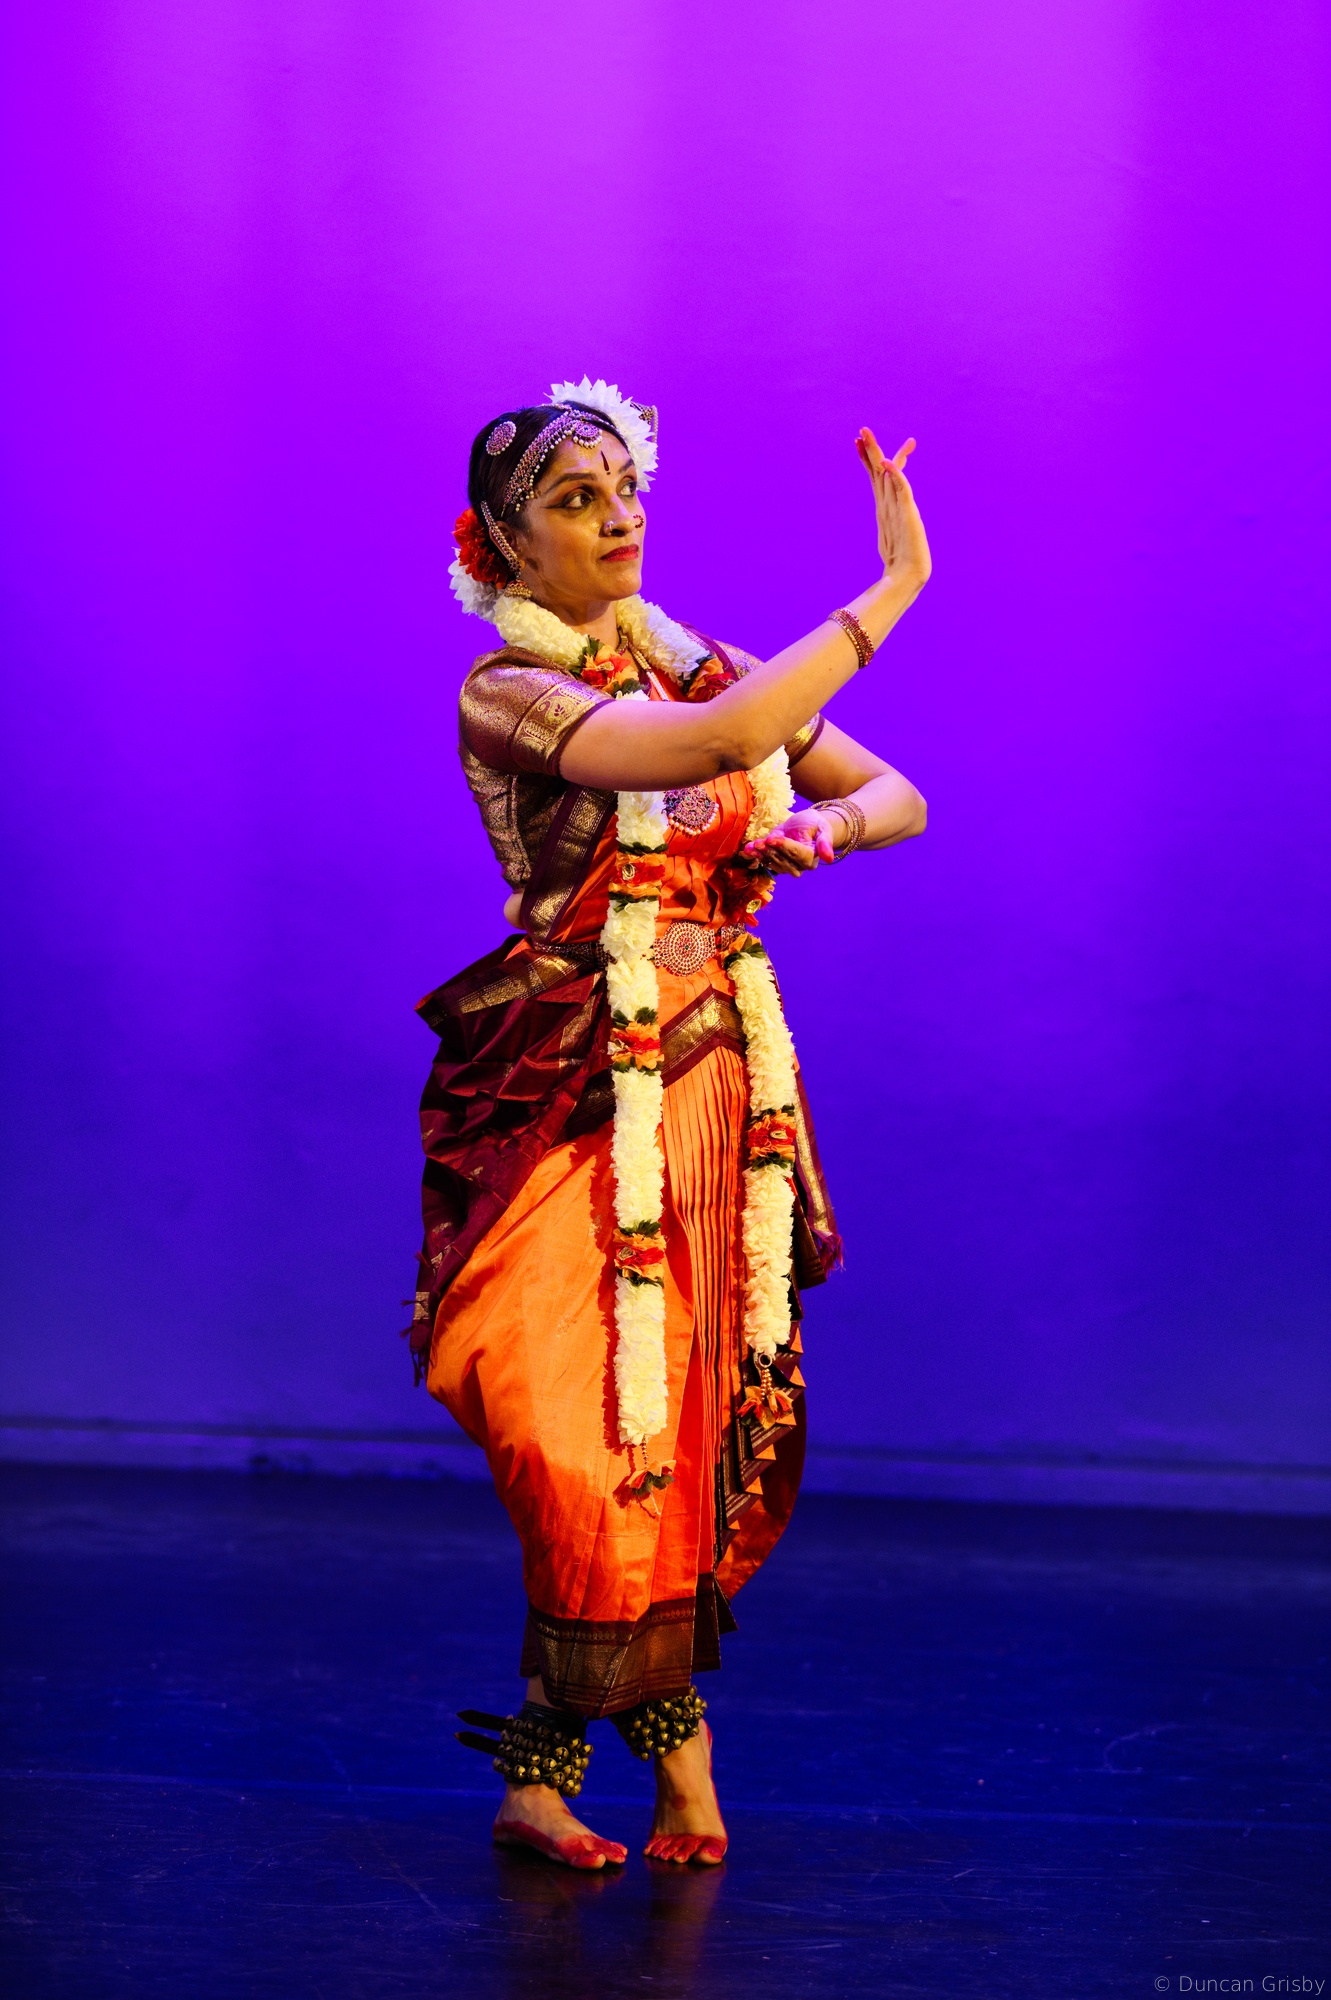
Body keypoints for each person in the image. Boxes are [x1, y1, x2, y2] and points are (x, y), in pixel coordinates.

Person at [407, 378, 930, 1869]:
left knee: (679, 1432)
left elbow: (896, 792)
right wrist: (890, 590)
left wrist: (825, 825)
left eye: (624, 490)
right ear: (506, 546)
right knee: (579, 1440)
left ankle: (579, 1777)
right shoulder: (508, 691)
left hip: (710, 1088)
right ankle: (621, 1757)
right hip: (567, 1088)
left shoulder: (686, 655)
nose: (617, 517)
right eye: (575, 502)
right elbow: (711, 747)